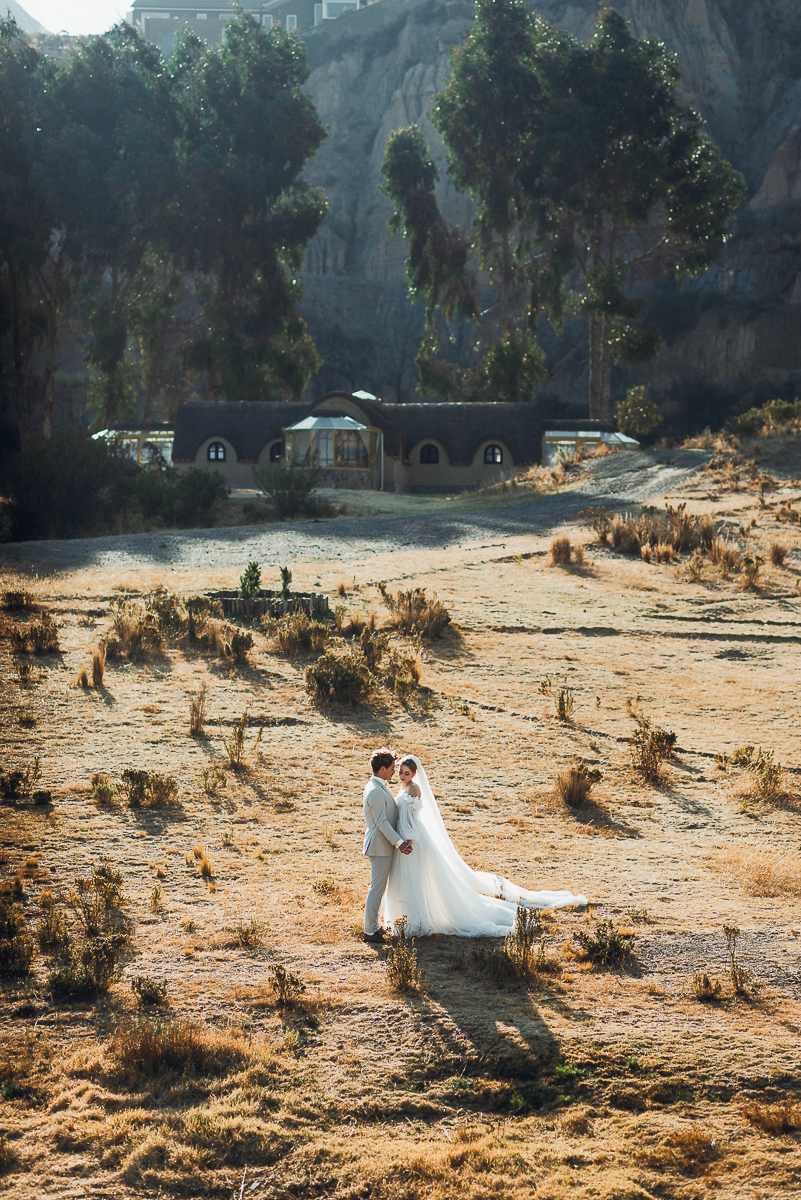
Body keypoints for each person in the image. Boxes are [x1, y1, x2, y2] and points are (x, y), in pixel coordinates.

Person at [382, 755, 588, 937]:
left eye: (406, 773)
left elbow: (411, 819)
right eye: (400, 772)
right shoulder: (403, 787)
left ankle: (414, 920)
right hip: (404, 838)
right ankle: (408, 918)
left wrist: (408, 839)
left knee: (413, 878)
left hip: (411, 839)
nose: (402, 775)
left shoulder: (413, 789)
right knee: (409, 879)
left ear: (414, 774)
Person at [362, 748, 413, 944]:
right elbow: (381, 822)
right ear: (382, 769)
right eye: (392, 768)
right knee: (376, 889)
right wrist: (399, 843)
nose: (394, 772)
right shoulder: (375, 790)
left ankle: (375, 926)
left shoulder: (378, 786)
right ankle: (369, 931)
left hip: (382, 845)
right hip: (379, 846)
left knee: (379, 888)